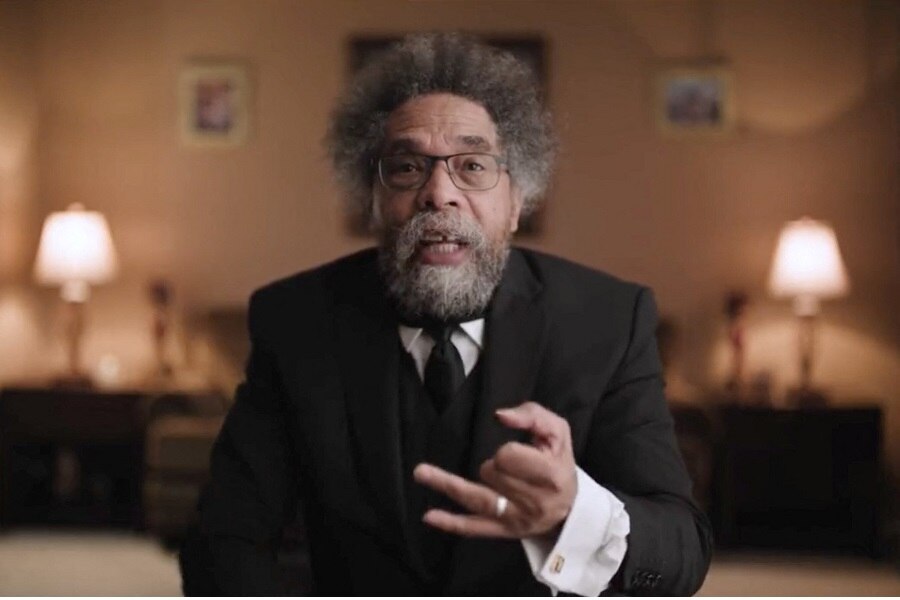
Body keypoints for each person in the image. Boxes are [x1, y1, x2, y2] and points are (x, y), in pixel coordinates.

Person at [181, 32, 712, 596]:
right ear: (373, 202)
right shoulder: (294, 322)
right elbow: (225, 541)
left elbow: (681, 554)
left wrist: (574, 512)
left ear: (517, 202)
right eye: (407, 167)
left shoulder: (609, 322)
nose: (439, 193)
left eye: (473, 165)